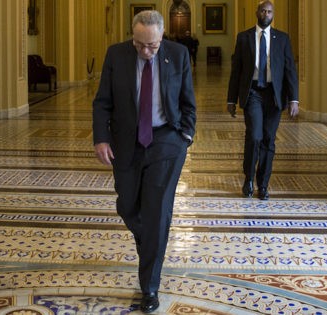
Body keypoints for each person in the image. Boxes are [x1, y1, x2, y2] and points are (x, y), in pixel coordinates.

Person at [92, 10, 196, 314]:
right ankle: (147, 237)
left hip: (166, 141)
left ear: (161, 37)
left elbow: (188, 101)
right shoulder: (116, 55)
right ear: (132, 36)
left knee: (156, 213)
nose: (146, 52)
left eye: (152, 46)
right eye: (140, 45)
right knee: (127, 205)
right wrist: (101, 138)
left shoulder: (177, 55)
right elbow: (102, 102)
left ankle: (149, 286)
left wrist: (185, 136)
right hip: (127, 142)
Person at [226, 0, 299, 201]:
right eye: (263, 10)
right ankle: (249, 178)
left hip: (274, 96)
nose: (266, 14)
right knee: (255, 136)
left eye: (269, 11)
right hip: (253, 94)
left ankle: (263, 184)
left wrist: (294, 99)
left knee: (268, 139)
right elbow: (236, 71)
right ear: (257, 13)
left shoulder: (282, 39)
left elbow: (290, 70)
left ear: (272, 14)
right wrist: (231, 99)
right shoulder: (244, 38)